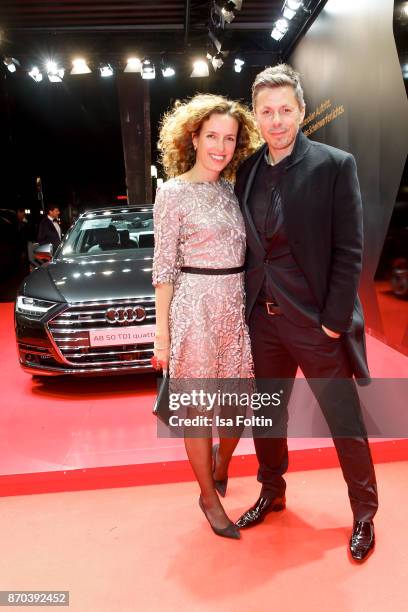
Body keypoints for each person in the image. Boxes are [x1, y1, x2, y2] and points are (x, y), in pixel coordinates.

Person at [234, 64, 378, 561]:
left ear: (301, 111)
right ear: (255, 115)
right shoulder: (247, 170)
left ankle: (363, 513)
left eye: (285, 110)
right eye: (266, 111)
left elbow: (349, 250)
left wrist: (334, 320)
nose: (276, 121)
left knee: (344, 418)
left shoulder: (335, 165)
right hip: (264, 323)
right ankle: (271, 491)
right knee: (267, 417)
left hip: (316, 322)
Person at [152, 94, 260, 539]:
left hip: (234, 305)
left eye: (229, 139)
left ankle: (222, 462)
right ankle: (209, 498)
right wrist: (163, 336)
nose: (220, 146)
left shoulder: (233, 191)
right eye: (212, 136)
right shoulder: (172, 192)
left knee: (236, 408)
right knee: (197, 411)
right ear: (193, 137)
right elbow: (163, 268)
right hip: (193, 305)